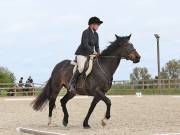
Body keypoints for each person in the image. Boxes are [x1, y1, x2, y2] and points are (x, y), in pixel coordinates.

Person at [68, 16, 103, 94]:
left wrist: (98, 53)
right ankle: (71, 84)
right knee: (81, 68)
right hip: (82, 54)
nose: (98, 26)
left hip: (90, 54)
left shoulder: (96, 34)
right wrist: (93, 52)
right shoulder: (85, 32)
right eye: (97, 24)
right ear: (92, 25)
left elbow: (97, 46)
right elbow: (85, 44)